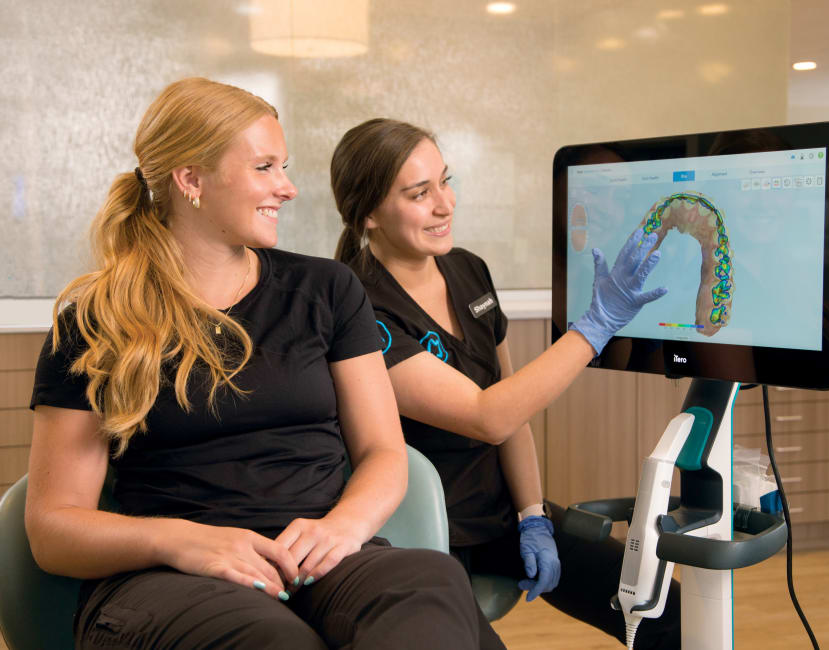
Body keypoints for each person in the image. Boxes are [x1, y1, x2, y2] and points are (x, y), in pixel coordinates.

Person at [26, 80, 505, 650]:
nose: (289, 187)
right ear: (191, 180)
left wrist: (343, 527)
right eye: (265, 167)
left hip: (322, 559)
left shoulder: (327, 289)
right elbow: (54, 527)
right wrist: (179, 542)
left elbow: (383, 451)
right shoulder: (96, 322)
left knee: (428, 590)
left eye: (285, 166)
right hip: (171, 582)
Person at [331, 118, 680, 648]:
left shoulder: (468, 271)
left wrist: (533, 515)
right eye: (419, 194)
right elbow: (486, 414)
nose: (445, 205)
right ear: (369, 213)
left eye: (445, 182)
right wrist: (595, 325)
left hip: (497, 518)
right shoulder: (357, 304)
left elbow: (512, 408)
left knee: (660, 607)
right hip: (415, 538)